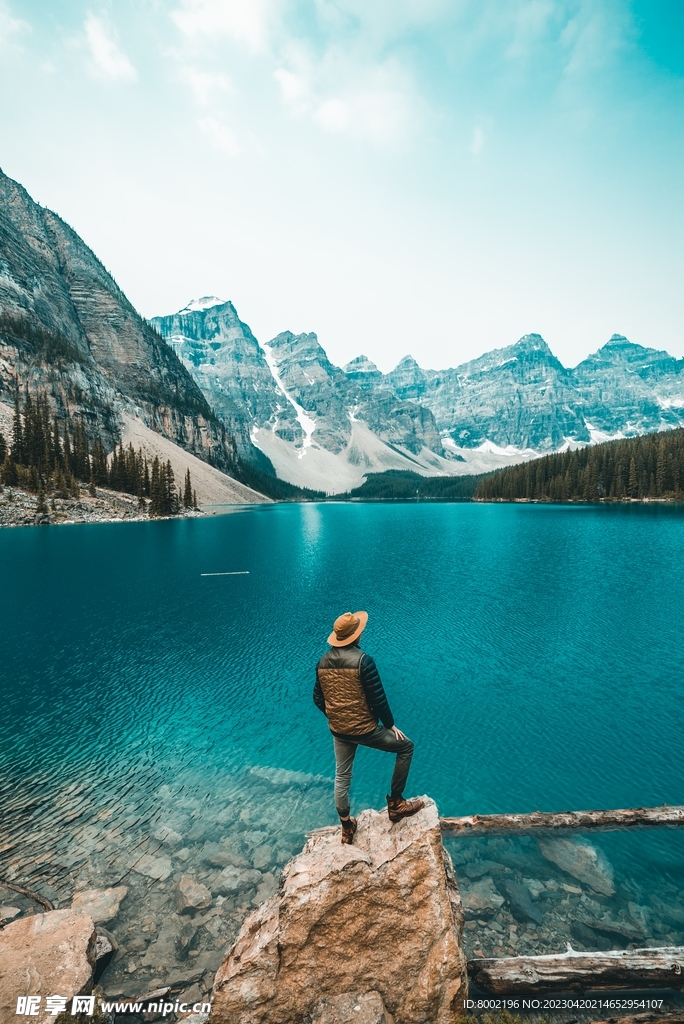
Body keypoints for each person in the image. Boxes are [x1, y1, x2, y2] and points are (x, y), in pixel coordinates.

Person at [313, 610, 424, 844]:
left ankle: (346, 827)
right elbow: (378, 699)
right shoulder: (363, 661)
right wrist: (390, 725)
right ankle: (396, 804)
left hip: (339, 730)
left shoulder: (322, 662)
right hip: (366, 730)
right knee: (406, 747)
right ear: (356, 636)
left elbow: (317, 698)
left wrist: (335, 715)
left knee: (342, 775)